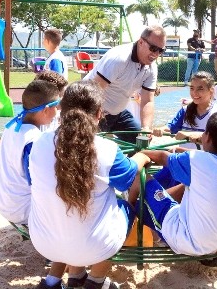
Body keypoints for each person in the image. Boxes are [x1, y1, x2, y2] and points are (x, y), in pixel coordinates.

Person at [28, 81, 151, 289]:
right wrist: (142, 156)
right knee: (123, 205)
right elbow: (129, 177)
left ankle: (68, 276)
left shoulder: (39, 144)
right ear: (99, 114)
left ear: (61, 110)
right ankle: (96, 281)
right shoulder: (107, 149)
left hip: (44, 242)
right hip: (94, 246)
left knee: (66, 207)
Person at [129, 112, 217, 266]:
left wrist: (141, 154)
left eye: (204, 132)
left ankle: (129, 211)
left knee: (141, 179)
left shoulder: (197, 161)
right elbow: (206, 159)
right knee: (185, 184)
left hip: (188, 241)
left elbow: (163, 157)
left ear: (208, 137)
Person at [0, 79, 61, 225]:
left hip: (4, 202)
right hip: (21, 209)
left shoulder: (12, 126)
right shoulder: (32, 140)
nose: (57, 112)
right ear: (46, 110)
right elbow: (38, 182)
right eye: (57, 106)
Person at [84, 25, 165, 143]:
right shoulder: (119, 59)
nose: (157, 54)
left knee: (141, 141)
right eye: (153, 48)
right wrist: (92, 119)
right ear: (141, 42)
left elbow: (147, 100)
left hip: (118, 113)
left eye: (161, 50)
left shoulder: (152, 67)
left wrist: (146, 128)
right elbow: (93, 91)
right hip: (93, 111)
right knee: (88, 151)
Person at [153, 71, 217, 148]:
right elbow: (171, 127)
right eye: (192, 88)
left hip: (207, 158)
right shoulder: (185, 110)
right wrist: (161, 129)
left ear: (211, 90)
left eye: (200, 89)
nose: (194, 93)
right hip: (185, 157)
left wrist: (190, 134)